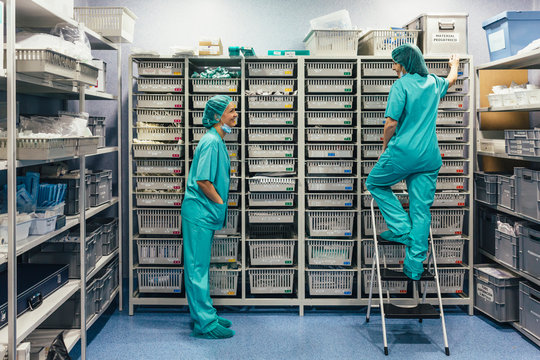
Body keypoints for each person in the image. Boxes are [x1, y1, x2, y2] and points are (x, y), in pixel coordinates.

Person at [365, 43, 460, 280]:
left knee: (375, 183)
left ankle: (400, 229)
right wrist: (454, 65)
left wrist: (384, 148)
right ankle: (414, 266)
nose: (393, 65)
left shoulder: (401, 86)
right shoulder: (433, 83)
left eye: (395, 61)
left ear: (404, 63)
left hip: (403, 153)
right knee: (421, 209)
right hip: (428, 157)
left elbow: (391, 123)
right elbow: (451, 80)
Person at [181, 95, 238, 339]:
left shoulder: (217, 139)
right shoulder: (212, 142)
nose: (236, 115)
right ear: (217, 116)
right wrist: (219, 202)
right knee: (197, 269)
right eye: (231, 111)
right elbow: (202, 180)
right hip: (199, 213)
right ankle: (204, 324)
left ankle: (206, 315)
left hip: (204, 213)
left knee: (200, 267)